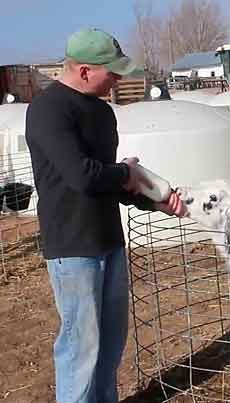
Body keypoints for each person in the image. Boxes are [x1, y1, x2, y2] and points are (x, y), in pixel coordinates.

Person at [25, 28, 186, 403]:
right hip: (73, 244)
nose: (117, 78)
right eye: (111, 71)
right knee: (81, 347)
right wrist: (126, 173)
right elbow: (82, 175)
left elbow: (107, 180)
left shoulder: (101, 111)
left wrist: (153, 200)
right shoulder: (48, 109)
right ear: (83, 71)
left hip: (109, 240)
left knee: (111, 342)